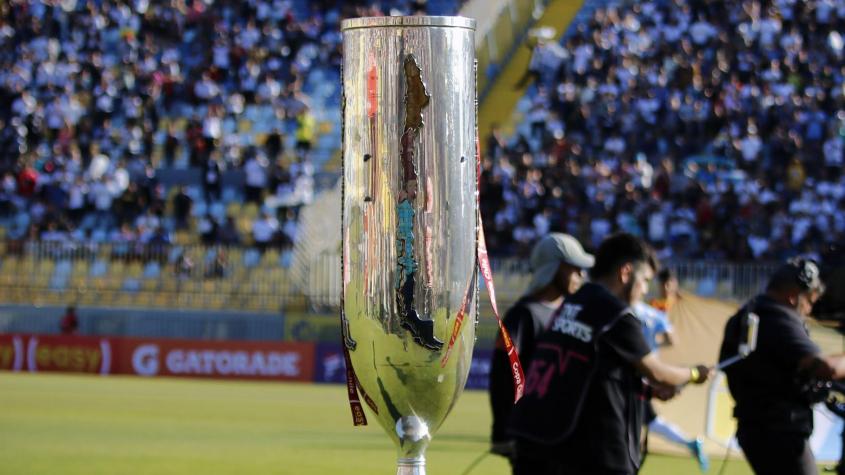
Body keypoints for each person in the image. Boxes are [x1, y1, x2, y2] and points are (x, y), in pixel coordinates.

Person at [508, 233, 712, 475]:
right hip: (591, 451)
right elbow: (658, 373)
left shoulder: (573, 302)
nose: (645, 290)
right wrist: (694, 373)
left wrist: (646, 389)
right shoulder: (615, 314)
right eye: (645, 280)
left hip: (536, 437)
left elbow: (587, 370)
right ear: (626, 272)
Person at [720, 258, 845, 475]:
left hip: (756, 427)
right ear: (793, 296)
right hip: (780, 430)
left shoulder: (746, 314)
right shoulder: (777, 317)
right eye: (809, 302)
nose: (808, 311)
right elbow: (825, 368)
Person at [488, 233, 594, 462]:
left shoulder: (568, 314)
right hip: (529, 438)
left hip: (561, 435)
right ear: (555, 268)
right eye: (574, 268)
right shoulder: (522, 315)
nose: (581, 275)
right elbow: (502, 377)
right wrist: (503, 433)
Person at [633, 298, 709, 472]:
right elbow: (670, 341)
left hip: (641, 374)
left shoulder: (629, 310)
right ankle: (689, 443)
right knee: (649, 420)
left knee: (648, 420)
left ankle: (689, 443)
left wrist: (692, 374)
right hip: (647, 374)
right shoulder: (654, 313)